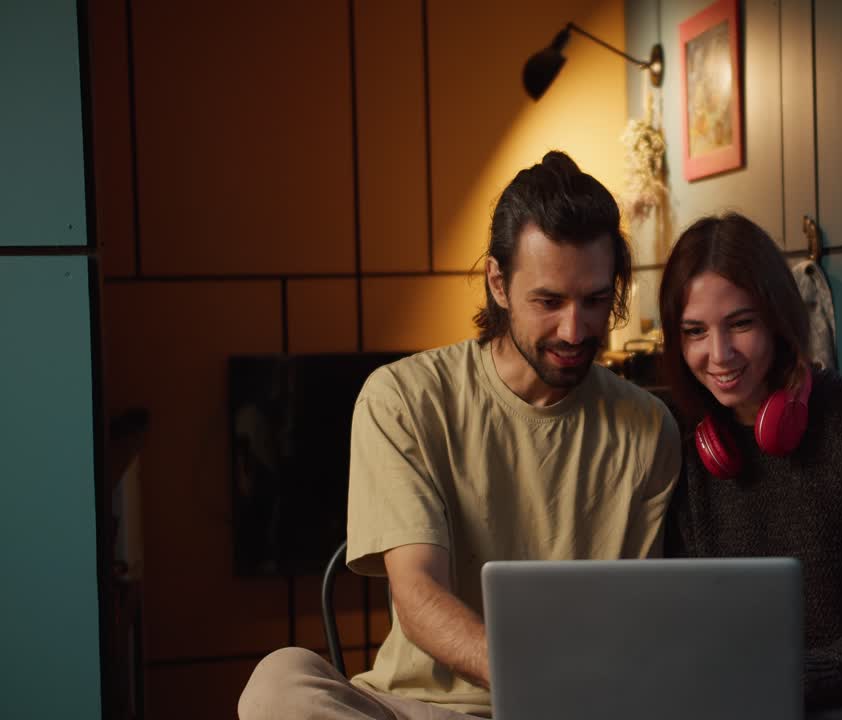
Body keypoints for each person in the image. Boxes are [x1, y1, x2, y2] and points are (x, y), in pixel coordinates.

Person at [239, 151, 682, 719]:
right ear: (498, 283)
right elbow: (420, 596)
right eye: (548, 302)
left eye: (595, 300)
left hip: (574, 709)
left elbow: (637, 619)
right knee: (278, 683)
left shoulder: (649, 428)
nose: (575, 329)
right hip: (418, 709)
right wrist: (534, 679)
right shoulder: (402, 398)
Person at [658, 213, 842, 708]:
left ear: (779, 319)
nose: (719, 354)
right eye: (694, 331)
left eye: (741, 323)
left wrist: (796, 678)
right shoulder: (683, 442)